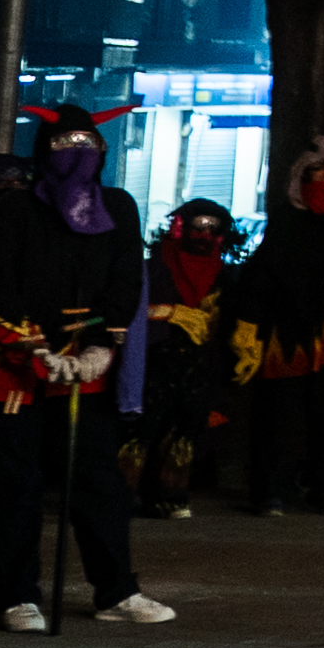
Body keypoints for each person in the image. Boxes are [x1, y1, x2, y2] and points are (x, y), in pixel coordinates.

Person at [0, 106, 168, 631]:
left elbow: (124, 282)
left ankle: (116, 591)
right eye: (65, 148)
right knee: (12, 484)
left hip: (88, 368)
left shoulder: (118, 206)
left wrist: (103, 347)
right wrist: (36, 347)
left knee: (98, 483)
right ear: (46, 153)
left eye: (87, 148)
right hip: (16, 371)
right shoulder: (17, 211)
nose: (77, 159)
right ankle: (17, 596)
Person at [225, 145, 324, 518]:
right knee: (280, 414)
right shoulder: (288, 221)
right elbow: (261, 277)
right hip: (290, 333)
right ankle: (272, 490)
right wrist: (247, 325)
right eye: (318, 169)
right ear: (303, 176)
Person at [133, 196, 238, 518]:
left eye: (212, 227)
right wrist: (170, 313)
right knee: (142, 426)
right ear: (181, 227)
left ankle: (171, 494)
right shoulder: (155, 267)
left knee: (186, 427)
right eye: (198, 225)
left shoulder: (224, 275)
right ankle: (122, 493)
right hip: (156, 358)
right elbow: (131, 308)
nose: (204, 233)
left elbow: (233, 318)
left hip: (199, 363)